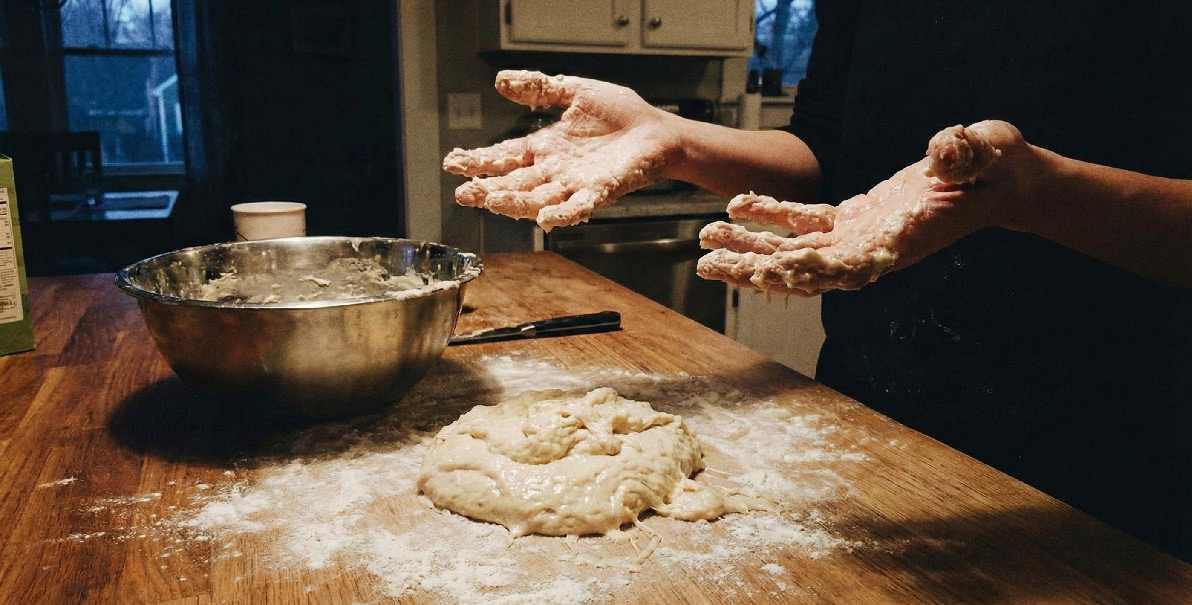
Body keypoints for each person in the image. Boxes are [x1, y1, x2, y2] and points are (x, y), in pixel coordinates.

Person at [443, 2, 1192, 560]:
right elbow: (824, 147)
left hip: (1101, 470)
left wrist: (1034, 192)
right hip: (868, 425)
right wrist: (671, 137)